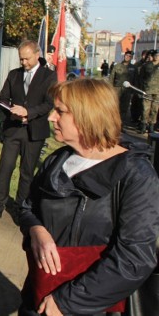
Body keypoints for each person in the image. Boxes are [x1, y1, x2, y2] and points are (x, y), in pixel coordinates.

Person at [18, 79, 159, 315]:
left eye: (60, 111)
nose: (52, 117)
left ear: (87, 116)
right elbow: (27, 207)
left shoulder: (137, 177)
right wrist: (36, 230)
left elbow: (135, 259)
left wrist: (66, 302)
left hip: (93, 307)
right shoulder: (57, 161)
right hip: (39, 295)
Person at [0, 40, 57, 224]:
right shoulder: (14, 75)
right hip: (13, 130)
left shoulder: (48, 76)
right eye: (21, 59)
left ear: (37, 54)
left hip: (34, 132)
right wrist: (10, 111)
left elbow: (49, 103)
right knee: (5, 168)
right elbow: (2, 98)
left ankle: (20, 208)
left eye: (26, 59)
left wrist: (28, 113)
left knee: (27, 172)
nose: (23, 62)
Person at [109, 50, 136, 122]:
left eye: (129, 56)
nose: (127, 57)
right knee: (115, 106)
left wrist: (133, 91)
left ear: (131, 58)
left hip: (127, 90)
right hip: (117, 88)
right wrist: (110, 88)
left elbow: (135, 79)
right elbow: (111, 77)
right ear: (124, 56)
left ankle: (121, 124)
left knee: (124, 107)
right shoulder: (117, 66)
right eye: (126, 55)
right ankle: (113, 122)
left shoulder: (133, 68)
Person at [139, 49, 159, 133]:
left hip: (158, 91)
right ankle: (143, 126)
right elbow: (141, 77)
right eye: (155, 55)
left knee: (155, 109)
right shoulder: (146, 65)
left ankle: (151, 126)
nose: (157, 57)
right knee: (145, 109)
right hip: (147, 90)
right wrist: (141, 89)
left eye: (158, 55)